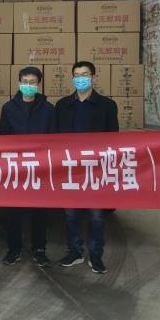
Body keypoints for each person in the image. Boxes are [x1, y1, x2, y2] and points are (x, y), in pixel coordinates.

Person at [54, 61, 119, 275]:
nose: (80, 78)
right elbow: (54, 139)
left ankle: (96, 255)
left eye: (85, 74)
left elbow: (114, 139)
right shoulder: (62, 105)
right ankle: (75, 251)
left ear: (93, 77)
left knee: (96, 215)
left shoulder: (107, 105)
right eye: (77, 75)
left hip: (96, 169)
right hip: (70, 168)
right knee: (71, 214)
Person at [0, 66, 56, 268]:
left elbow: (55, 139)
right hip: (16, 169)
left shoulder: (48, 109)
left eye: (32, 82)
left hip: (40, 169)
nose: (28, 85)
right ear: (19, 83)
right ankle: (13, 249)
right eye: (25, 82)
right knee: (14, 212)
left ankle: (40, 250)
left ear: (39, 84)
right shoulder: (9, 108)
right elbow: (2, 138)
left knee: (40, 212)